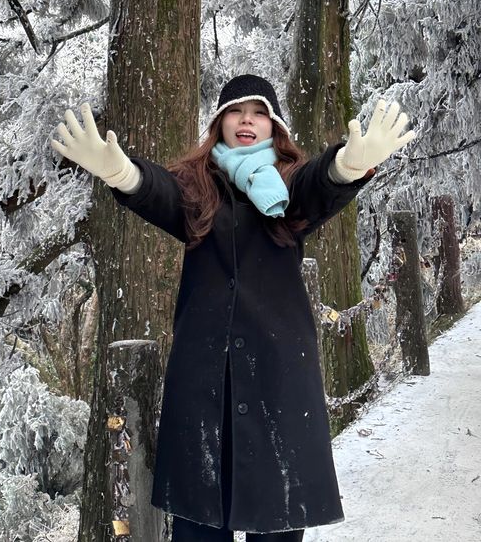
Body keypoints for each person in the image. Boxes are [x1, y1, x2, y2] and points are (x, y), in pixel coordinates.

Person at [51, 74, 417, 541]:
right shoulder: (196, 188)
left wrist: (346, 166)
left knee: (277, 522)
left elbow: (317, 184)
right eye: (236, 111)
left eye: (259, 111)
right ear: (220, 122)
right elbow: (160, 190)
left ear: (274, 126)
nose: (247, 120)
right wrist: (122, 173)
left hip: (278, 386)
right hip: (203, 389)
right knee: (200, 523)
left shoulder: (288, 186)